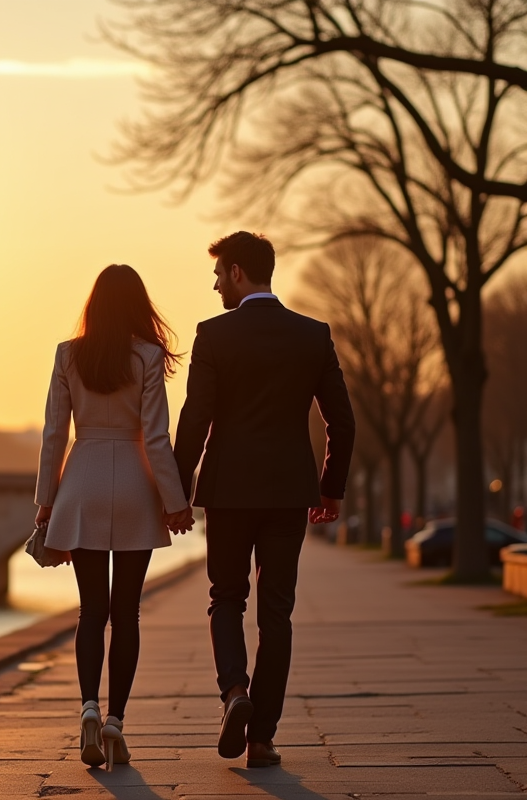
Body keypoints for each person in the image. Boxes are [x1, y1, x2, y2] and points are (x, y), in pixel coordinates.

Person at [173, 232, 355, 768]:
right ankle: (262, 739)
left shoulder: (213, 335)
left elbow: (194, 420)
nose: (215, 285)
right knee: (277, 609)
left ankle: (235, 691)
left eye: (218, 274)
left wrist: (177, 491)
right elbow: (342, 422)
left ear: (236, 272)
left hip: (228, 490)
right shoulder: (313, 335)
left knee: (226, 597)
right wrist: (331, 488)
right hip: (287, 491)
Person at [35, 264, 194, 771]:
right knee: (126, 614)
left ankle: (87, 706)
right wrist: (175, 500)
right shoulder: (147, 356)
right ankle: (115, 722)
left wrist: (46, 500)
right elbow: (156, 437)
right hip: (132, 486)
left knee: (91, 612)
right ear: (137, 307)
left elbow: (54, 434)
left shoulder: (68, 354)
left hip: (81, 484)